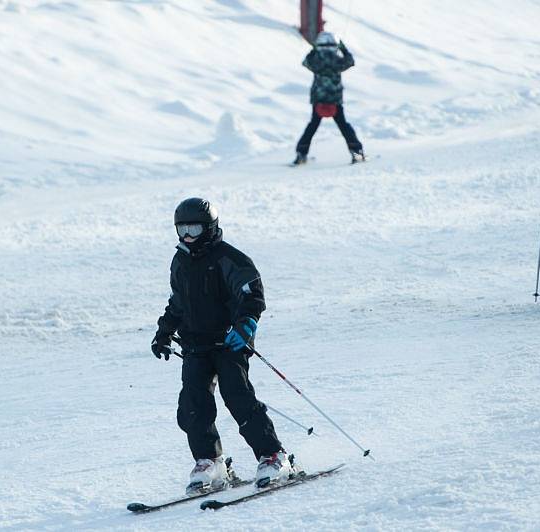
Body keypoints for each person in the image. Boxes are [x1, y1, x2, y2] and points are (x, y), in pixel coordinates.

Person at [150, 197, 295, 493]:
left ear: (210, 227)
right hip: (195, 346)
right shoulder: (180, 261)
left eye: (194, 228)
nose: (188, 236)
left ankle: (273, 456)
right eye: (182, 229)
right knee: (193, 406)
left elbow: (252, 295)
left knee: (238, 398)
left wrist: (245, 327)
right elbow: (179, 302)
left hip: (229, 343)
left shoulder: (229, 258)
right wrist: (164, 333)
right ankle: (210, 462)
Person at [293, 31, 365, 165]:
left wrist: (313, 50)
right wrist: (343, 48)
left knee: (312, 127)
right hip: (335, 99)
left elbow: (305, 62)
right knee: (344, 126)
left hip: (318, 99)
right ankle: (358, 154)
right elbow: (350, 61)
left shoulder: (316, 61)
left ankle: (301, 154)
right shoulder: (337, 60)